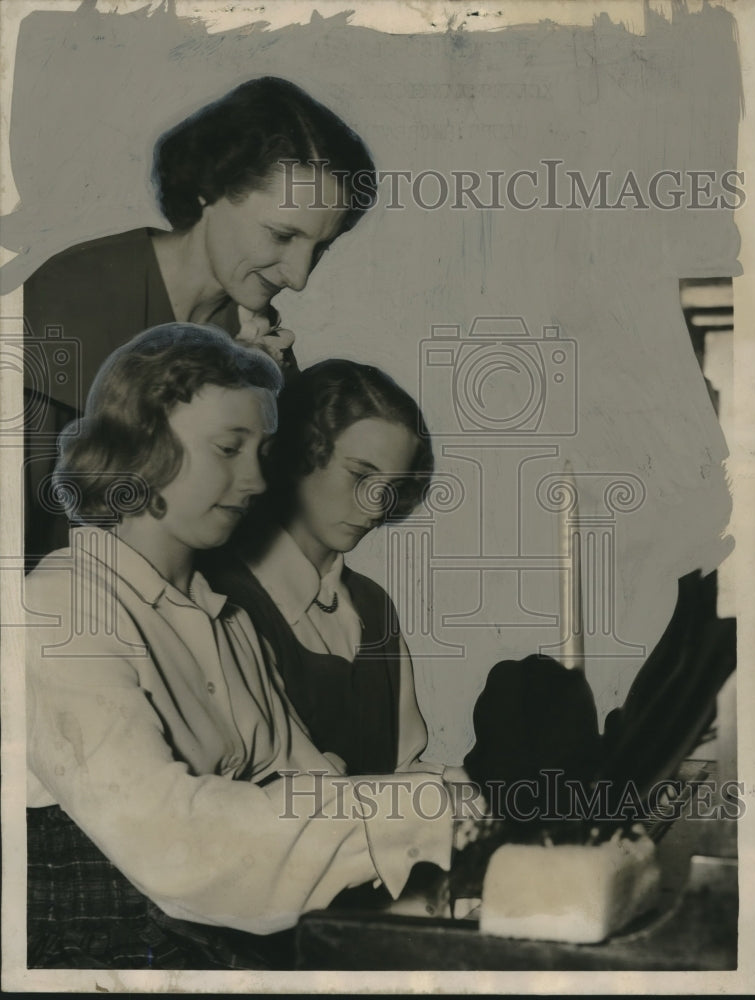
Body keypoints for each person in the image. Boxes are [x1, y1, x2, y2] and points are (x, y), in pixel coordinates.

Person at [25, 325, 463, 971]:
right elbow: (175, 842)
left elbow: (312, 784)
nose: (257, 481)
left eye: (263, 451)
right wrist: (419, 813)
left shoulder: (224, 621)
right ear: (143, 444)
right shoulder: (57, 609)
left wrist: (455, 804)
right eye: (230, 449)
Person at [23, 76, 376, 562]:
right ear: (211, 188)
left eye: (320, 248)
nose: (298, 278)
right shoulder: (74, 294)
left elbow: (261, 536)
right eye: (280, 235)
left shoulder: (259, 340)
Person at [203, 360, 439, 776]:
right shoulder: (222, 596)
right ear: (298, 454)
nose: (376, 505)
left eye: (391, 486)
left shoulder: (371, 606)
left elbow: (404, 768)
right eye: (360, 475)